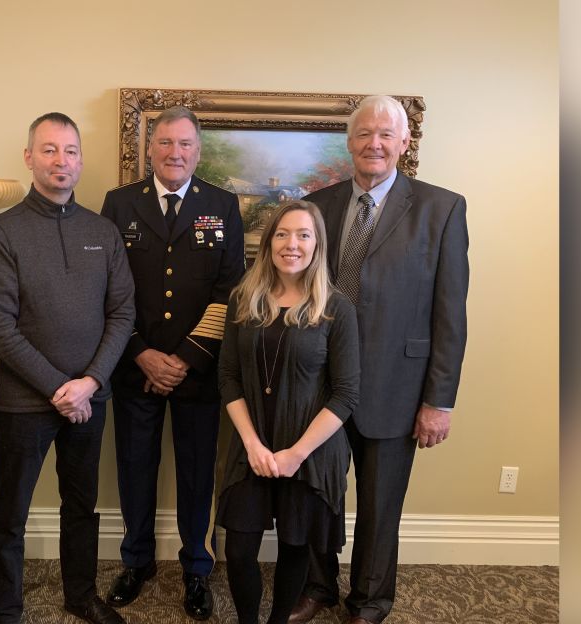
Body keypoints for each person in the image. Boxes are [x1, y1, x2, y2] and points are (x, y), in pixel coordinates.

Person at [289, 95, 469, 624]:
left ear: (404, 143)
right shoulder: (316, 207)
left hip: (398, 383)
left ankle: (369, 601)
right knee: (317, 494)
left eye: (386, 135)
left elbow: (450, 314)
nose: (374, 144)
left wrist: (439, 400)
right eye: (365, 134)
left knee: (379, 503)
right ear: (350, 143)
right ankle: (318, 586)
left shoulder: (442, 209)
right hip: (320, 382)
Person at [0, 112, 136, 624]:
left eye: (69, 151)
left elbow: (123, 312)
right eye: (48, 150)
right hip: (25, 401)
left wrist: (89, 383)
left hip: (90, 399)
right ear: (29, 157)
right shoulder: (2, 232)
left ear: (81, 160)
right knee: (11, 513)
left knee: (81, 505)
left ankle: (80, 595)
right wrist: (57, 387)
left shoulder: (103, 231)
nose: (60, 161)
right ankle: (4, 609)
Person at [99, 105, 244, 620]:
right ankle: (135, 561)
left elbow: (229, 290)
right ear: (151, 149)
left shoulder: (222, 205)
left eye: (185, 144)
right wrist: (142, 353)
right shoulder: (118, 205)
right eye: (165, 143)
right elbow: (108, 288)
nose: (175, 153)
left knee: (196, 472)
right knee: (135, 468)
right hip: (136, 364)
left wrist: (184, 358)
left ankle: (196, 568)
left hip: (197, 369)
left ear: (198, 151)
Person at [216, 200, 360, 624]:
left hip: (309, 453)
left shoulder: (336, 309)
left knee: (295, 547)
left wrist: (295, 454)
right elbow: (228, 377)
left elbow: (346, 394)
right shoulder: (243, 300)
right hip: (253, 447)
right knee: (238, 549)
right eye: (282, 234)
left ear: (317, 244)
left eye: (303, 235)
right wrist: (253, 444)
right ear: (268, 242)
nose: (291, 244)